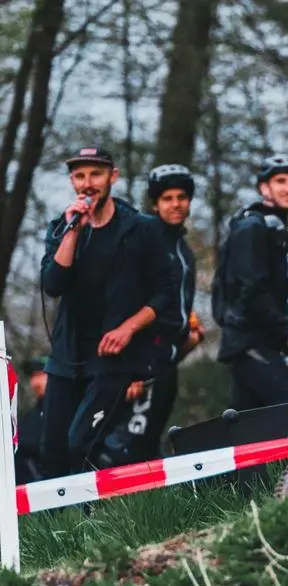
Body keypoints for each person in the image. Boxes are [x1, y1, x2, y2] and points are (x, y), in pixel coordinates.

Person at [38, 147, 176, 478]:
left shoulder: (142, 228)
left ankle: (96, 522)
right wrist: (73, 231)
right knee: (52, 451)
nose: (88, 183)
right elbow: (53, 284)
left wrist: (129, 327)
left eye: (96, 174)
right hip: (67, 356)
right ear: (72, 181)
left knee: (80, 443)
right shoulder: (63, 228)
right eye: (80, 176)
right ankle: (60, 528)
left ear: (112, 177)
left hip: (112, 359)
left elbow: (166, 292)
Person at [103, 164, 205, 464]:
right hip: (142, 362)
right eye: (167, 198)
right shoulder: (146, 240)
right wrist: (133, 370)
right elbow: (129, 304)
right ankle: (108, 508)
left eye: (182, 197)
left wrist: (189, 336)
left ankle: (147, 510)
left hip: (167, 362)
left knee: (149, 442)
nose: (175, 204)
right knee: (128, 443)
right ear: (155, 203)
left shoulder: (183, 248)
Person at [212, 153, 288, 412]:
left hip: (256, 342)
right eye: (280, 181)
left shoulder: (272, 226)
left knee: (246, 422)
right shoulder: (253, 227)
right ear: (264, 187)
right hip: (248, 343)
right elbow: (253, 289)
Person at [15, 356, 49, 484]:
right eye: (33, 376)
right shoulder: (28, 419)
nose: (35, 382)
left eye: (41, 375)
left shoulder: (74, 409)